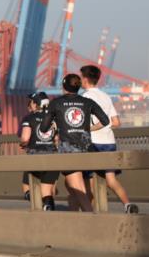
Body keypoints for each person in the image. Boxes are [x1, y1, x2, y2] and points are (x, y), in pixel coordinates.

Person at [39, 73, 110, 212]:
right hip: (87, 149)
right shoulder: (87, 102)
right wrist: (88, 128)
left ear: (64, 86)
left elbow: (43, 128)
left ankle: (93, 220)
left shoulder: (56, 103)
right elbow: (106, 121)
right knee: (71, 186)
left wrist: (56, 124)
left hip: (68, 151)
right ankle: (76, 220)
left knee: (78, 189)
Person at [80, 65, 138, 214]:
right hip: (109, 142)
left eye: (81, 77)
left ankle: (90, 213)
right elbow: (117, 122)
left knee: (89, 182)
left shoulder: (84, 98)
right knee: (111, 180)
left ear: (85, 79)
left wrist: (89, 128)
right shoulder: (106, 96)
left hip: (92, 143)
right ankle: (128, 204)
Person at [18, 92, 59, 210]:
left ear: (36, 104)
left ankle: (39, 203)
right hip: (52, 156)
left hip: (34, 157)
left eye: (32, 102)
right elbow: (56, 139)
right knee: (47, 190)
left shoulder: (29, 118)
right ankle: (48, 208)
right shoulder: (54, 118)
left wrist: (23, 144)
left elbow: (25, 138)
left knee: (26, 186)